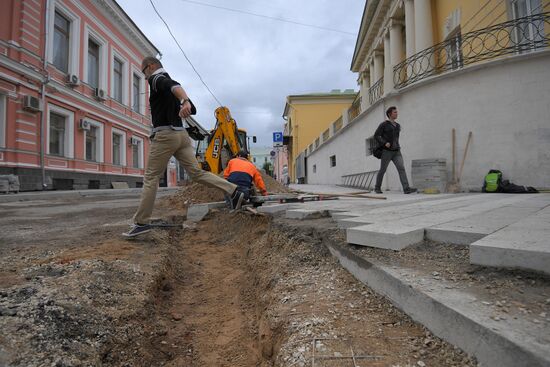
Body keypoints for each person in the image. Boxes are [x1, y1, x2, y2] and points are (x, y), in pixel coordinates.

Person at [124, 57, 244, 237]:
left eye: (143, 72)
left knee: (151, 178)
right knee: (197, 173)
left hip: (165, 136)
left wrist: (185, 100)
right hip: (182, 136)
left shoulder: (156, 79)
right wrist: (186, 103)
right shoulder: (170, 83)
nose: (144, 76)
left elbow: (171, 85)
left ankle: (141, 222)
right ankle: (233, 191)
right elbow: (188, 104)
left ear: (150, 67)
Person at [374, 106, 417, 194]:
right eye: (395, 112)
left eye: (396, 112)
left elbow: (396, 138)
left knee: (401, 168)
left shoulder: (397, 125)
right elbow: (377, 135)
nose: (397, 113)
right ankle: (377, 187)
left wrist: (397, 146)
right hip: (387, 151)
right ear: (390, 114)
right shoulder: (384, 124)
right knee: (383, 170)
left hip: (396, 151)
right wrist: (384, 142)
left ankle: (406, 189)